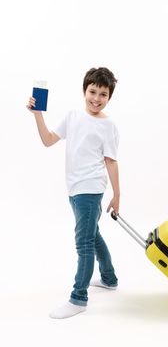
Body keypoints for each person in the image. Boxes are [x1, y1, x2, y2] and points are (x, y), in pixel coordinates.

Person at [27, 67, 120, 319]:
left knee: (84, 243)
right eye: (93, 91)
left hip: (91, 190)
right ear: (84, 90)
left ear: (109, 96)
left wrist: (117, 195)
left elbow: (111, 161)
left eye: (103, 94)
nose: (96, 98)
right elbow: (47, 140)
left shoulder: (109, 125)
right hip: (75, 189)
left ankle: (78, 298)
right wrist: (37, 114)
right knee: (93, 234)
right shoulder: (73, 116)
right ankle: (109, 278)